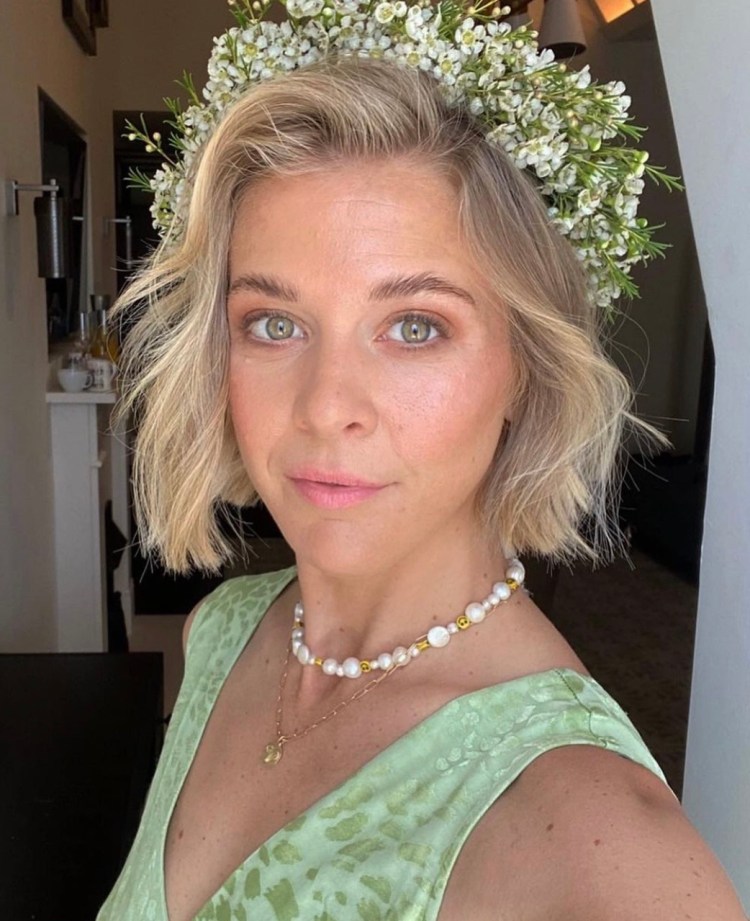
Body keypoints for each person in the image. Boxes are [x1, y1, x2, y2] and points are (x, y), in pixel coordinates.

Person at [97, 55, 746, 921]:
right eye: (274, 323)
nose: (326, 406)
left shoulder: (592, 835)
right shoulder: (222, 630)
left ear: (524, 368)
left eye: (414, 327)